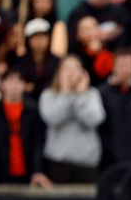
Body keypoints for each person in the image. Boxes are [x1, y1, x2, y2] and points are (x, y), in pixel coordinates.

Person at [0, 67, 51, 188]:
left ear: (25, 85)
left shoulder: (33, 111)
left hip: (28, 176)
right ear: (2, 84)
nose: (14, 86)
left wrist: (38, 171)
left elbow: (38, 143)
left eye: (19, 81)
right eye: (10, 80)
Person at [39, 55, 106, 183]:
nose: (71, 73)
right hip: (58, 161)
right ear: (59, 72)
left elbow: (94, 120)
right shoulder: (49, 95)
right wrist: (66, 94)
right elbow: (52, 118)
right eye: (66, 68)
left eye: (75, 68)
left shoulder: (92, 94)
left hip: (86, 162)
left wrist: (80, 96)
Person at [98, 49, 131, 169]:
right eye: (121, 65)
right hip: (108, 160)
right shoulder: (101, 93)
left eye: (128, 65)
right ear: (113, 67)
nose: (125, 70)